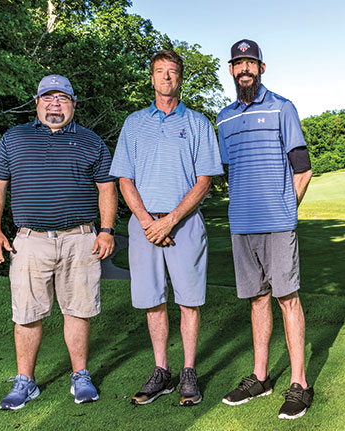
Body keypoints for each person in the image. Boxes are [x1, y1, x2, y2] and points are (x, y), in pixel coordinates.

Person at [0, 74, 117, 409]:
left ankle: (80, 375)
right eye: (48, 98)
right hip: (30, 241)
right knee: (27, 312)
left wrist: (106, 229)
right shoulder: (14, 139)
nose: (55, 104)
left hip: (79, 240)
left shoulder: (91, 141)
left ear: (73, 103)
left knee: (79, 310)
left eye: (63, 98)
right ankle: (25, 381)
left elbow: (107, 189)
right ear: (37, 101)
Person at [110, 50, 223, 407]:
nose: (166, 78)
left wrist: (170, 220)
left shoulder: (199, 124)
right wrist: (146, 221)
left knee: (189, 300)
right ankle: (162, 371)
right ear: (152, 78)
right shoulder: (133, 123)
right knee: (152, 300)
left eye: (172, 72)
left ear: (181, 78)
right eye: (160, 72)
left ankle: (188, 372)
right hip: (144, 225)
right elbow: (124, 178)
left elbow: (204, 179)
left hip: (184, 225)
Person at [217, 40, 314, 420]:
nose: (245, 70)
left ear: (261, 67)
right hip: (241, 225)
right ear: (231, 70)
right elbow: (229, 172)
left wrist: (286, 209)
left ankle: (300, 384)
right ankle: (260, 377)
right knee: (257, 300)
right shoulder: (223, 118)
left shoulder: (282, 108)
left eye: (250, 63)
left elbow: (302, 168)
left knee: (286, 299)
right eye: (238, 64)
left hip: (277, 224)